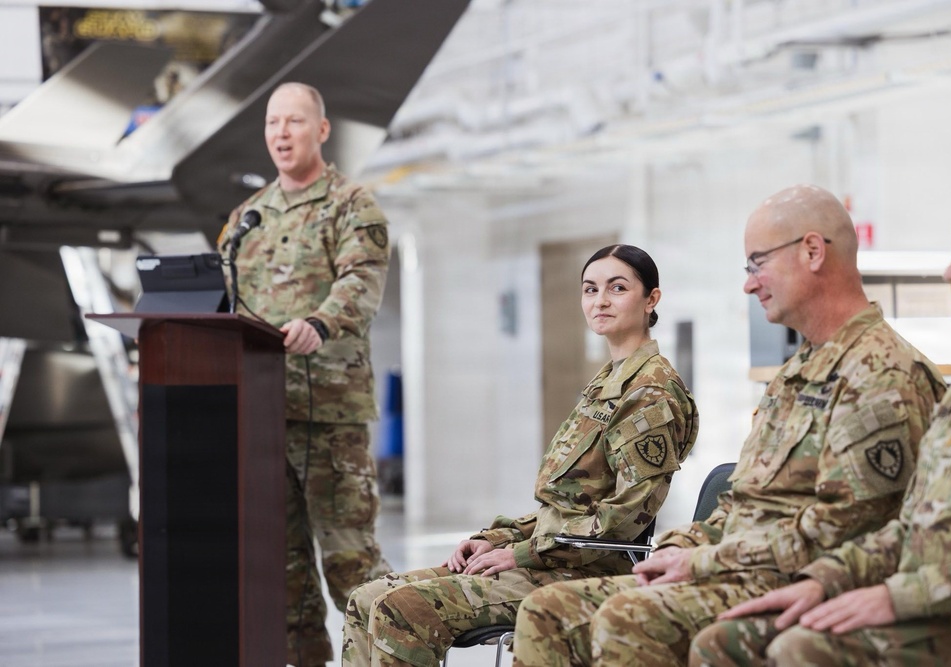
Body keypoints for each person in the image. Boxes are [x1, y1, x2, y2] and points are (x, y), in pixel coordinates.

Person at [510, 184, 947, 667]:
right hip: (738, 564)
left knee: (627, 618)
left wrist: (702, 560)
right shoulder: (798, 370)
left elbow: (848, 528)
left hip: (794, 578)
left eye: (757, 263)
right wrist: (680, 546)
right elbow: (744, 498)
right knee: (548, 610)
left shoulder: (881, 374)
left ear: (812, 252)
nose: (749, 283)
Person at [341, 244, 700, 666]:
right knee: (365, 598)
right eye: (590, 289)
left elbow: (621, 522)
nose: (600, 301)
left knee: (400, 608)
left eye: (617, 288)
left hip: (584, 571)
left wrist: (519, 554)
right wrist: (498, 537)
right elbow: (567, 507)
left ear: (651, 299)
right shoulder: (609, 381)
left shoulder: (649, 392)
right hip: (550, 557)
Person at [690, 191, 951, 667]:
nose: (950, 271)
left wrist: (899, 597)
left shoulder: (888, 372)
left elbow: (853, 519)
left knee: (799, 650)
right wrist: (826, 581)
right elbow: (910, 529)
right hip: (927, 600)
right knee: (727, 642)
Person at [218, 81, 392, 667]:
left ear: (321, 130)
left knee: (353, 567)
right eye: (273, 123)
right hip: (261, 419)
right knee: (282, 574)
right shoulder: (247, 217)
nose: (281, 134)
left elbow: (361, 283)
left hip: (330, 419)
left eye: (294, 122)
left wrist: (319, 321)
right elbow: (223, 303)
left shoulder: (352, 204)